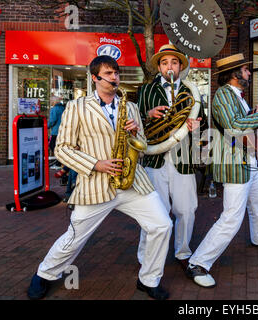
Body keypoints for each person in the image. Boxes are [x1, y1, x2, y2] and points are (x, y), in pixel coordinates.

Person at [27, 55, 172, 300]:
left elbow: (142, 145)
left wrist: (136, 132)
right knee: (74, 238)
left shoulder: (132, 106)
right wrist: (97, 164)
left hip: (132, 182)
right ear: (95, 78)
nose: (115, 77)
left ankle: (149, 279)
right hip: (96, 183)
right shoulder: (77, 107)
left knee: (162, 225)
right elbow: (62, 148)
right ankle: (45, 274)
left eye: (117, 73)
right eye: (109, 73)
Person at [186, 53, 258, 288]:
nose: (249, 73)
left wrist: (255, 113)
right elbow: (232, 127)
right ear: (234, 74)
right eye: (245, 70)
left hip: (247, 160)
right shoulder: (222, 95)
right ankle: (198, 263)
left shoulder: (237, 96)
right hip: (234, 163)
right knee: (231, 217)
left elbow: (241, 124)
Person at [137, 44, 207, 273]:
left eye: (174, 63)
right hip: (154, 158)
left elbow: (204, 125)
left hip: (182, 157)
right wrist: (147, 115)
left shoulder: (191, 93)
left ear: (180, 67)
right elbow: (134, 122)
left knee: (186, 209)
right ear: (159, 67)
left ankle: (183, 251)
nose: (170, 66)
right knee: (154, 210)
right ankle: (146, 254)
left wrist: (195, 126)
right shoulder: (146, 91)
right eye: (165, 62)